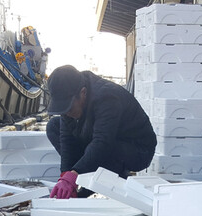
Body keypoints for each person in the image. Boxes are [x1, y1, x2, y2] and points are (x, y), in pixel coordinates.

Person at [45, 65, 157, 199]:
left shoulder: (107, 96)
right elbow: (67, 140)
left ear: (83, 93)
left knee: (105, 147)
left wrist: (75, 173)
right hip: (104, 140)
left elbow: (102, 142)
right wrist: (65, 175)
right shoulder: (69, 106)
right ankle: (82, 176)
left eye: (69, 109)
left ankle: (111, 173)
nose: (66, 114)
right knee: (53, 126)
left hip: (136, 150)